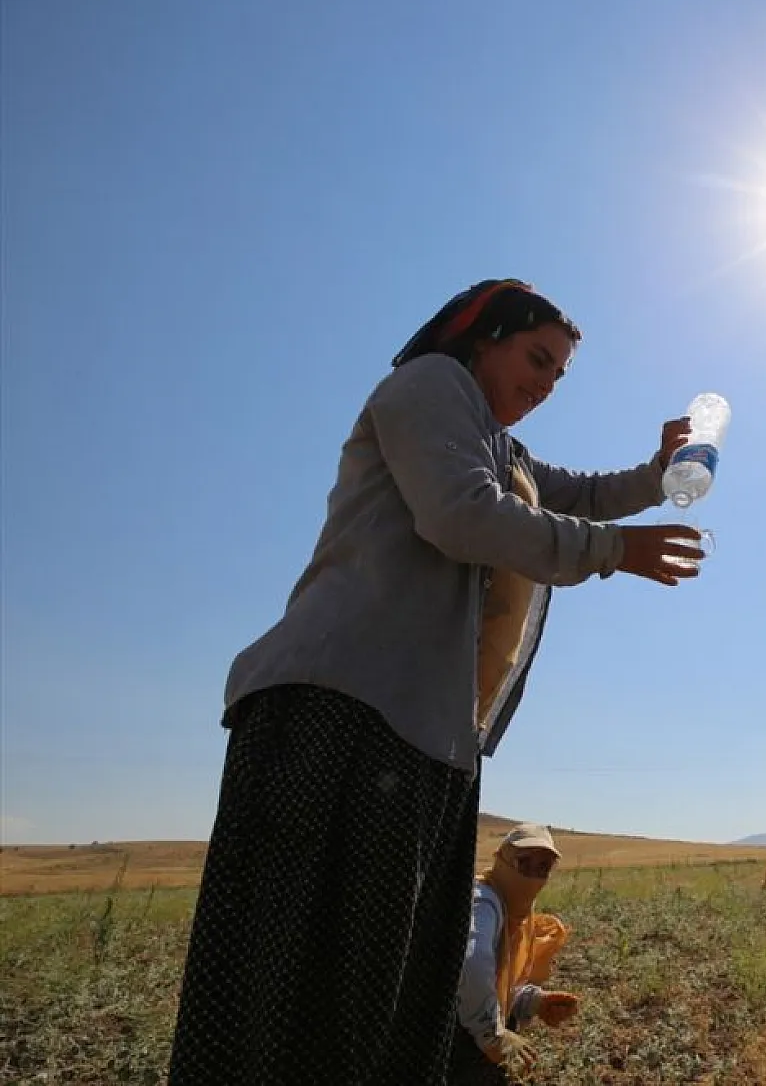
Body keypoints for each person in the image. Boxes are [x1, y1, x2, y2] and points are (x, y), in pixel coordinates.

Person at [169, 279, 705, 1085]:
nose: (546, 384)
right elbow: (463, 516)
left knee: (383, 994)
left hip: (427, 735)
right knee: (290, 989)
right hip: (336, 709)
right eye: (537, 358)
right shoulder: (427, 387)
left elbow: (585, 494)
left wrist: (660, 471)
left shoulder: (502, 448)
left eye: (559, 374)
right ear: (483, 336)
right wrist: (612, 551)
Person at [450, 824, 580, 1084]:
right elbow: (472, 965)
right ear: (502, 860)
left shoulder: (517, 915)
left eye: (543, 867)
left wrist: (533, 1001)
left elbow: (502, 980)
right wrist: (492, 1034)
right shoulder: (483, 901)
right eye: (523, 862)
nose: (532, 875)